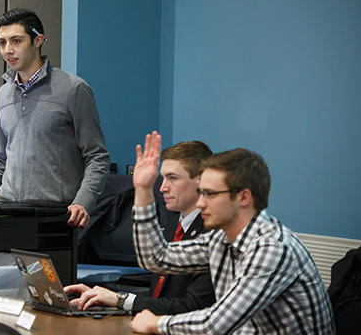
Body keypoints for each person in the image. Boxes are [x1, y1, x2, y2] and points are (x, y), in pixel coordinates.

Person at [130, 131, 335, 334]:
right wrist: (142, 190)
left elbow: (215, 325)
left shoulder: (272, 248)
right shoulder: (221, 239)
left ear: (243, 198)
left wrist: (155, 323)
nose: (200, 202)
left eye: (210, 194)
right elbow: (156, 258)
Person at [0, 8, 109, 228]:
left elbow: (97, 157)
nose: (8, 50)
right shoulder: (3, 94)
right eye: (2, 43)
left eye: (16, 41)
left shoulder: (73, 89)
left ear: (37, 40)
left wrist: (82, 203)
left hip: (56, 216)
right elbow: (1, 161)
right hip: (8, 213)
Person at [64, 141, 215, 315]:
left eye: (173, 178)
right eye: (163, 178)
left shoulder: (213, 232)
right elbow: (159, 297)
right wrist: (108, 298)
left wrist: (120, 301)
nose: (162, 188)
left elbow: (191, 307)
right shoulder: (173, 225)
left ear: (201, 180)